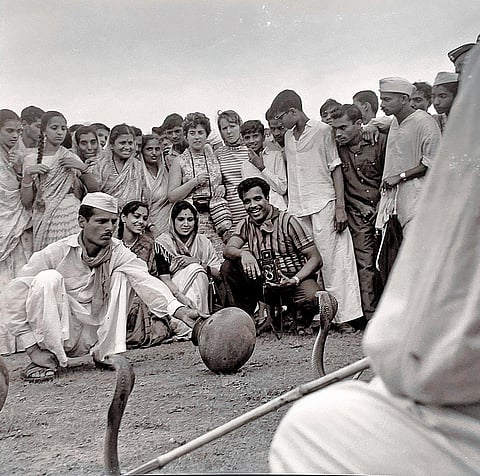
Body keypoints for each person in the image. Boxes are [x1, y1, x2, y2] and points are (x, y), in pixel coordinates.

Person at [269, 44, 480, 476]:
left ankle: (357, 315)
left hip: (452, 397)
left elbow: (420, 365)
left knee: (311, 428)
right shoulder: (402, 124)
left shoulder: (428, 125)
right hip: (393, 206)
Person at [4, 192, 206, 382]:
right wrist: (31, 347)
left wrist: (179, 311)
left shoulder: (118, 251)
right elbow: (15, 295)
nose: (109, 228)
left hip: (94, 332)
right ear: (82, 222)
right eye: (101, 221)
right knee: (47, 278)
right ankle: (45, 357)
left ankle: (107, 352)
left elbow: (146, 282)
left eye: (112, 221)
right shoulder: (57, 252)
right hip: (60, 330)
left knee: (123, 274)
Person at [268, 89, 363, 331]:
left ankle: (344, 317)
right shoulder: (289, 137)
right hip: (300, 207)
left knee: (334, 261)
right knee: (310, 262)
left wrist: (340, 206)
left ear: (293, 112)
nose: (279, 123)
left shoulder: (322, 131)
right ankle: (320, 317)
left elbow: (335, 167)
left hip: (324, 202)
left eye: (281, 117)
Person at [221, 177, 324, 335]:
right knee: (229, 266)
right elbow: (228, 250)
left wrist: (295, 279)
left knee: (312, 297)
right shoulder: (246, 223)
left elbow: (315, 258)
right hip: (264, 283)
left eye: (257, 199)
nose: (253, 206)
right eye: (247, 201)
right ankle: (243, 320)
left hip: (291, 280)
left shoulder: (288, 221)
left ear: (267, 198)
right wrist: (244, 253)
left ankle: (298, 318)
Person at [330, 104, 386, 326]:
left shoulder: (379, 140)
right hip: (356, 212)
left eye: (343, 128)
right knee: (365, 263)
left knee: (388, 260)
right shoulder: (335, 148)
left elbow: (387, 174)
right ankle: (371, 317)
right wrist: (358, 206)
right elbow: (339, 185)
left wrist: (381, 207)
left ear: (359, 124)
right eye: (335, 129)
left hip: (383, 209)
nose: (338, 134)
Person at [21, 110, 100, 251]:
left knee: (72, 254)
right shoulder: (30, 159)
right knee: (48, 257)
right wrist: (27, 176)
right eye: (54, 128)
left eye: (63, 128)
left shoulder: (69, 157)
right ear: (44, 130)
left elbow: (95, 190)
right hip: (43, 213)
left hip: (69, 214)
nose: (59, 132)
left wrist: (82, 168)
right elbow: (27, 202)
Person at [376, 77, 441, 236]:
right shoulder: (394, 123)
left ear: (404, 99)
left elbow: (433, 162)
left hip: (419, 197)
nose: (382, 105)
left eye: (387, 99)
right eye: (381, 99)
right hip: (394, 201)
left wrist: (400, 176)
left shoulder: (425, 122)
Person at [118, 200, 185, 348]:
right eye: (136, 216)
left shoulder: (151, 245)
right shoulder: (113, 245)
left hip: (144, 298)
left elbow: (156, 278)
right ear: (123, 218)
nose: (141, 222)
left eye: (144, 218)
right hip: (118, 297)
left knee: (157, 331)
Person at [167, 112, 228, 254]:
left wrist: (221, 186)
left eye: (200, 132)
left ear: (206, 135)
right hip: (192, 220)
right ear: (186, 136)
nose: (196, 137)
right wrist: (194, 182)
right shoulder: (179, 161)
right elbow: (172, 196)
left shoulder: (214, 156)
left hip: (217, 217)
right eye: (192, 133)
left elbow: (221, 179)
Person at [0, 109, 33, 355]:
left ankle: (23, 340)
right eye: (9, 131)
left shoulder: (20, 155)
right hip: (3, 222)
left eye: (18, 131)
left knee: (20, 279)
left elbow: (26, 194)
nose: (14, 136)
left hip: (19, 223)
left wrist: (21, 169)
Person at [156, 200, 222, 315]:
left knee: (197, 270)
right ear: (173, 221)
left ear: (195, 221)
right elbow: (164, 279)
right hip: (173, 292)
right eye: (181, 219)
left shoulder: (203, 243)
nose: (186, 224)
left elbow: (218, 273)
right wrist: (181, 297)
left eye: (190, 220)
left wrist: (197, 263)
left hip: (202, 288)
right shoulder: (163, 243)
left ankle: (199, 317)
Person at [95, 123, 148, 212]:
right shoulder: (100, 165)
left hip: (132, 218)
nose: (127, 147)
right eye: (122, 143)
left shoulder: (138, 166)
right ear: (111, 145)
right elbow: (95, 195)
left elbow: (143, 195)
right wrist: (114, 202)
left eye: (130, 143)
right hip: (107, 216)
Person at [240, 119, 288, 211]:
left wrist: (262, 168)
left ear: (263, 137)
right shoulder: (245, 166)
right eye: (247, 138)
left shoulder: (276, 156)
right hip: (257, 213)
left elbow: (282, 188)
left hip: (277, 209)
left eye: (255, 136)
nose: (252, 141)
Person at [215, 110, 250, 231]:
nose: (229, 131)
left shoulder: (250, 150)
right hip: (232, 213)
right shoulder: (218, 154)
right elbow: (216, 179)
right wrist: (220, 184)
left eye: (232, 126)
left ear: (240, 126)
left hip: (253, 209)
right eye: (224, 128)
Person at [139, 134, 171, 237]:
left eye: (157, 149)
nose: (154, 153)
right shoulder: (138, 173)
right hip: (148, 227)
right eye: (149, 149)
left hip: (169, 225)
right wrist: (151, 226)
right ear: (142, 151)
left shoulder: (166, 171)